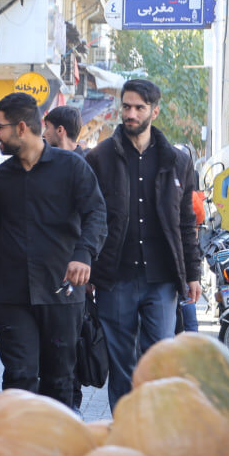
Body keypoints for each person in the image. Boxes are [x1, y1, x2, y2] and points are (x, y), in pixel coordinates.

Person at [0, 92, 106, 409]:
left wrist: (84, 255)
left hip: (61, 292)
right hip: (12, 294)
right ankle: (19, 453)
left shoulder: (72, 168)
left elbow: (96, 213)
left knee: (59, 379)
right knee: (19, 376)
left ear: (21, 127)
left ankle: (57, 454)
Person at [86, 79, 201, 410]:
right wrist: (90, 266)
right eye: (126, 106)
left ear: (155, 111)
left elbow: (185, 221)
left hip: (161, 279)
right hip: (116, 277)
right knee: (122, 365)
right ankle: (125, 430)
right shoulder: (101, 157)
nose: (131, 114)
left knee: (158, 362)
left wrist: (192, 274)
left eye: (138, 107)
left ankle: (155, 430)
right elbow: (92, 217)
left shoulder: (176, 160)